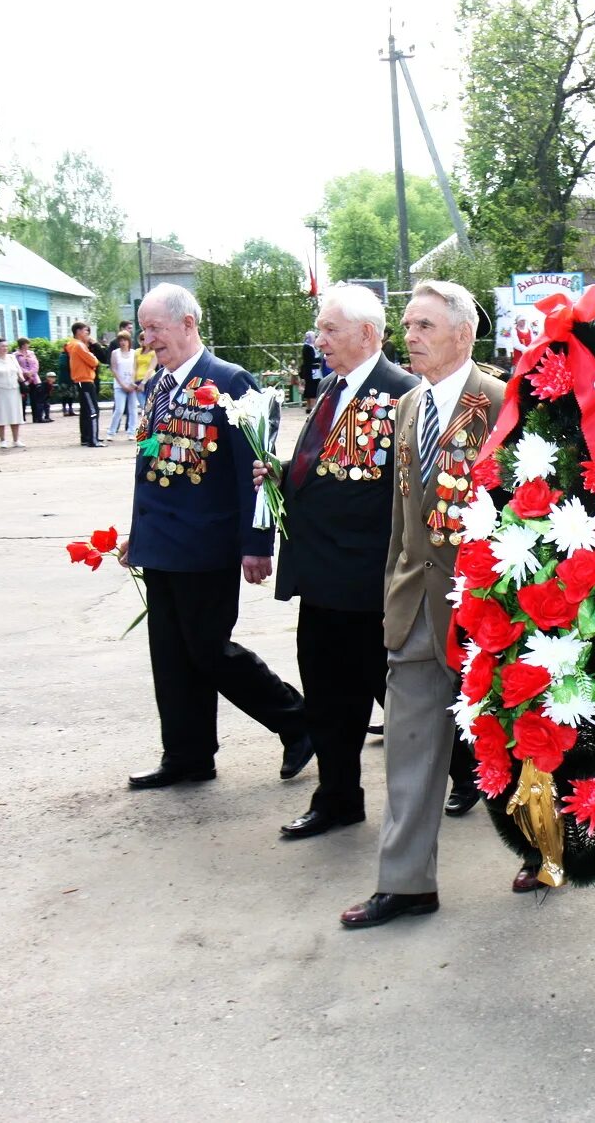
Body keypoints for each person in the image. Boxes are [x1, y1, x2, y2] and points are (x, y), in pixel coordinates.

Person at [337, 280, 507, 930]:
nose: (410, 336)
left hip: (486, 608)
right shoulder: (408, 405)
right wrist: (392, 597)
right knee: (408, 746)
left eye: (424, 325)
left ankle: (542, 849)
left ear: (462, 334)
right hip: (415, 607)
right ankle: (406, 882)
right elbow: (400, 518)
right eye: (407, 325)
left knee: (517, 741)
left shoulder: (496, 402)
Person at [118, 283, 312, 790]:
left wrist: (256, 543)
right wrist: (135, 538)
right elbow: (152, 467)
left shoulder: (231, 381)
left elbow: (257, 468)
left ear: (187, 324)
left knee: (207, 650)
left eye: (155, 327)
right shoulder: (159, 384)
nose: (147, 339)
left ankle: (296, 718)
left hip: (207, 547)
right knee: (170, 655)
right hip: (159, 545)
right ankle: (187, 755)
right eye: (144, 329)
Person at [267, 285, 422, 840]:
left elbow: (408, 496)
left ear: (367, 334)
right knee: (328, 699)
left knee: (397, 696)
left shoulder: (405, 394)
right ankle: (337, 798)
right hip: (320, 576)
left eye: (330, 329)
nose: (319, 339)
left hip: (369, 582)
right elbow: (328, 470)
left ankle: (467, 771)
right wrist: (283, 473)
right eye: (319, 328)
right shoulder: (332, 389)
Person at [0, 339, 25, 449]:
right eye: (2, 346)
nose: (5, 348)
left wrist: (23, 385)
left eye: (6, 346)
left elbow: (19, 372)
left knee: (15, 414)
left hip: (13, 389)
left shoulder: (12, 358)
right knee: (1, 415)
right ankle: (2, 440)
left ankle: (16, 439)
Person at [68, 322, 102, 447]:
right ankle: (93, 439)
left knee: (86, 410)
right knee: (93, 410)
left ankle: (86, 437)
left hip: (80, 380)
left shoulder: (72, 344)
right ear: (78, 332)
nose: (87, 333)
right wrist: (93, 356)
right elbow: (94, 361)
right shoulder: (79, 345)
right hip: (85, 379)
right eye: (85, 331)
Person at [106, 331, 140, 441]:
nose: (122, 342)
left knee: (133, 409)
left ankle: (131, 431)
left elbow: (136, 368)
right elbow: (114, 369)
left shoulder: (134, 353)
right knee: (119, 409)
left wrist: (132, 383)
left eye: (125, 340)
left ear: (129, 341)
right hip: (120, 385)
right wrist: (122, 384)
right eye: (120, 340)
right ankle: (111, 431)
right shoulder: (115, 353)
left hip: (132, 384)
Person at [17, 338, 48, 424]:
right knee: (23, 399)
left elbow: (36, 364)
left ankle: (37, 417)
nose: (28, 345)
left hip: (34, 379)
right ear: (23, 344)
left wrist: (32, 372)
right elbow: (16, 366)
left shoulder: (31, 353)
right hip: (23, 379)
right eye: (27, 344)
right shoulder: (15, 355)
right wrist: (26, 372)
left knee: (36, 399)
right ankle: (22, 418)